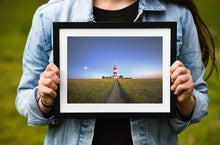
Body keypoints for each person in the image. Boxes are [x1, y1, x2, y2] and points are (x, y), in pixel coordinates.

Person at [16, 0, 217, 145]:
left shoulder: (178, 14)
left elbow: (199, 99)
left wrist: (184, 101)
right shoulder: (50, 14)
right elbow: (25, 95)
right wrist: (45, 101)